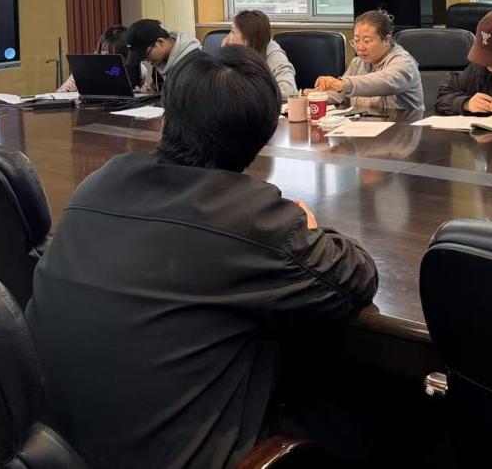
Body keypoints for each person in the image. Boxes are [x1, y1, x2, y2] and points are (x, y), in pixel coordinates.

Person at [27, 48, 378, 469]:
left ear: (166, 120)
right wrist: (310, 229)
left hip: (48, 450)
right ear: (264, 135)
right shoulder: (253, 219)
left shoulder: (98, 184)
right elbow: (356, 278)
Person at [313, 9, 424, 113]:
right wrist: (314, 95)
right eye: (356, 40)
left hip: (402, 125)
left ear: (387, 40)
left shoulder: (404, 61)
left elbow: (387, 81)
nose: (360, 47)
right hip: (365, 124)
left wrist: (344, 83)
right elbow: (340, 95)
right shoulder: (357, 63)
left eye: (367, 41)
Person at [224, 9, 297, 99]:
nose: (228, 37)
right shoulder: (238, 52)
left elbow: (288, 91)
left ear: (247, 38)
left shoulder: (274, 55)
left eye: (232, 31)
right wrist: (223, 55)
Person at [125, 18, 201, 93]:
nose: (148, 60)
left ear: (161, 42)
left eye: (146, 55)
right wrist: (150, 92)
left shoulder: (195, 64)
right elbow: (159, 88)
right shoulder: (161, 62)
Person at [59, 25, 127, 93]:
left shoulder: (130, 67)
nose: (109, 58)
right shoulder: (88, 64)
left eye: (114, 54)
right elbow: (60, 91)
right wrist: (64, 89)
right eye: (105, 52)